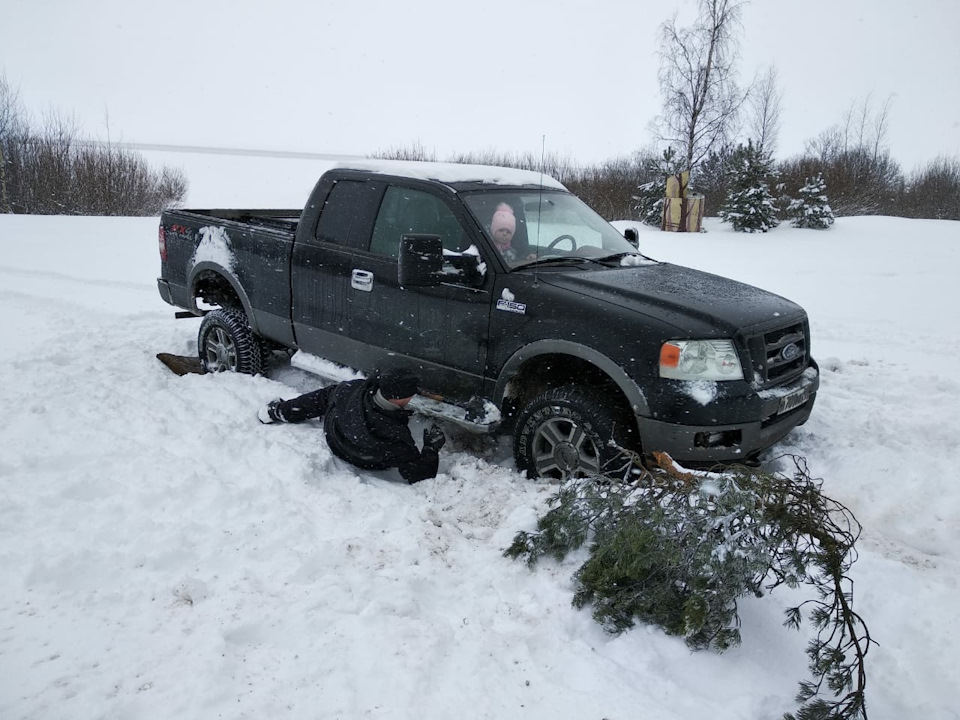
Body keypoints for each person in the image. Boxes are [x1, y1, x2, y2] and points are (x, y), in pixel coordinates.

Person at [257, 367, 446, 484]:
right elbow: (419, 474)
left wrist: (278, 410)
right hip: (363, 460)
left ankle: (278, 412)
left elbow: (315, 401)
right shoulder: (395, 436)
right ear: (399, 399)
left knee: (326, 396)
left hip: (334, 434)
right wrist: (431, 448)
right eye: (411, 393)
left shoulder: (353, 389)